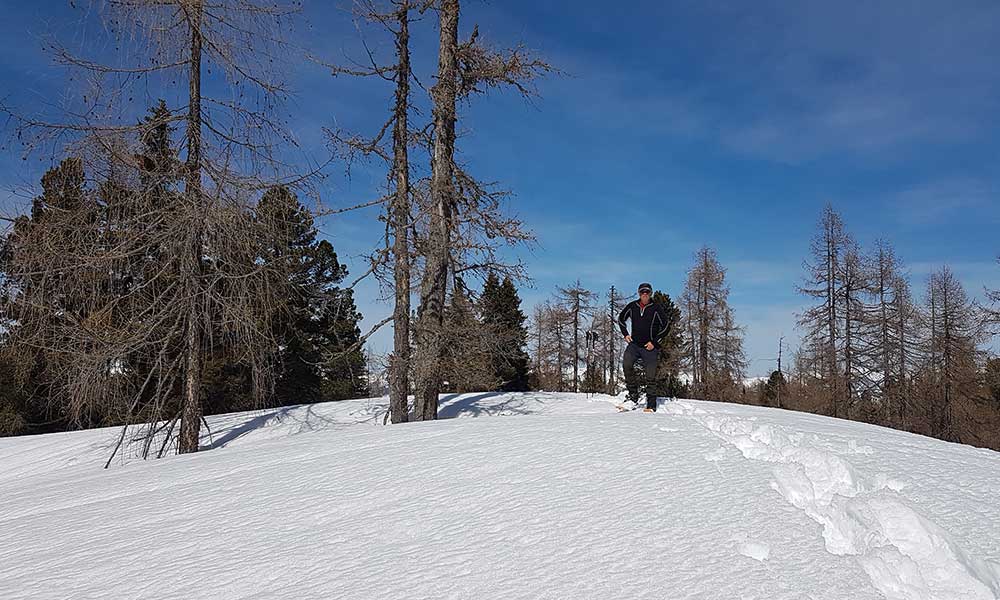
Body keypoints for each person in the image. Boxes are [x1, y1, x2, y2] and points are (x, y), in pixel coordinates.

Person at [618, 282, 670, 412]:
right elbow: (621, 319)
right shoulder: (632, 306)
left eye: (647, 292)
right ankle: (633, 397)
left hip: (650, 347)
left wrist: (655, 342)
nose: (645, 294)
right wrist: (625, 334)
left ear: (650, 293)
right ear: (639, 293)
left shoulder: (656, 308)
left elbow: (666, 325)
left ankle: (651, 404)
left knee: (650, 376)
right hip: (634, 345)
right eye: (642, 292)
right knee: (627, 365)